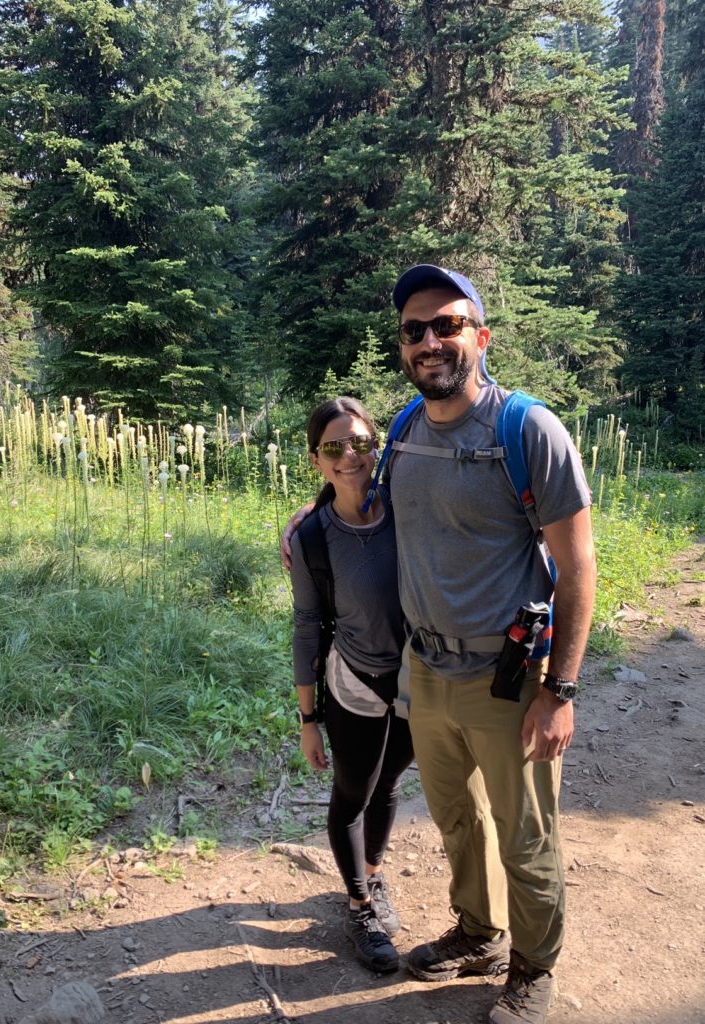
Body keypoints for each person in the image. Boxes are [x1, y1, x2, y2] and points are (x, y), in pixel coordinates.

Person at [283, 267, 596, 1024]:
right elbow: (370, 500)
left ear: (480, 337)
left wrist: (559, 691)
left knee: (525, 834)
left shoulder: (527, 430)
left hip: (508, 676)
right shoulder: (402, 432)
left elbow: (578, 565)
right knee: (457, 816)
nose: (429, 340)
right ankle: (478, 932)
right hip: (424, 671)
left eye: (447, 324)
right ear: (403, 348)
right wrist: (310, 519)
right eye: (414, 330)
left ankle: (533, 967)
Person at [290, 397, 414, 975]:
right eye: (333, 447)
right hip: (354, 684)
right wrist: (308, 720)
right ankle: (361, 908)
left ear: (376, 446)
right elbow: (306, 627)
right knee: (352, 793)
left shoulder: (407, 507)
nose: (349, 456)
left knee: (388, 782)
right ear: (316, 459)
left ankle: (374, 874)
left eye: (360, 443)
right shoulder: (313, 538)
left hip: (415, 680)